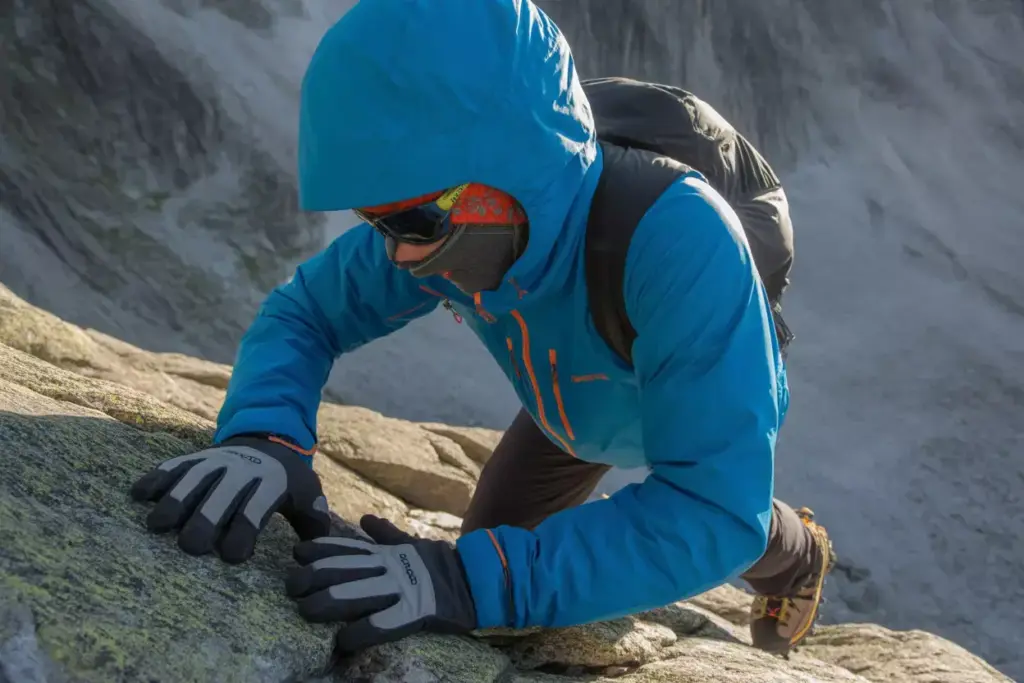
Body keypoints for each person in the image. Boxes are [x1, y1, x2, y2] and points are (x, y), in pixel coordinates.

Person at [129, 0, 835, 658]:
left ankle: (801, 555)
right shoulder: (455, 210)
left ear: (513, 173)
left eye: (413, 222)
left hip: (659, 388)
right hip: (573, 403)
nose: (399, 254)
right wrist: (264, 435)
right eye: (377, 224)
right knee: (488, 560)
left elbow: (711, 507)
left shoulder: (682, 237)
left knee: (719, 510)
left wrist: (469, 581)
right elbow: (304, 312)